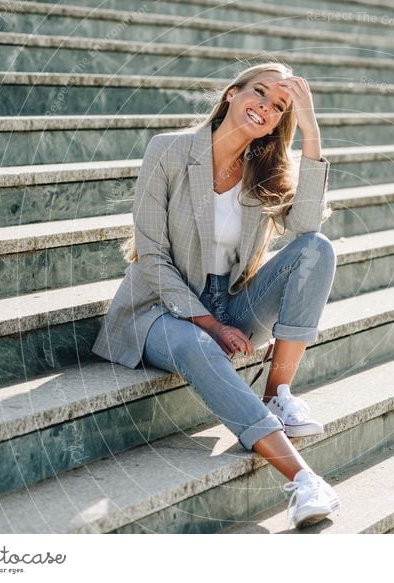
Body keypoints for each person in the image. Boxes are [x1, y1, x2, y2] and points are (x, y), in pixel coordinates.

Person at [91, 61, 340, 529]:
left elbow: (306, 228)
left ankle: (276, 393)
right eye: (259, 93)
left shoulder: (263, 170)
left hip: (231, 299)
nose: (265, 107)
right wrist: (208, 323)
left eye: (279, 106)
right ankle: (304, 479)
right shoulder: (168, 151)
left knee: (317, 250)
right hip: (157, 306)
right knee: (195, 344)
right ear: (232, 94)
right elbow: (150, 254)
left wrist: (310, 132)